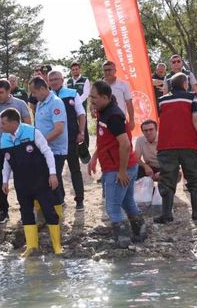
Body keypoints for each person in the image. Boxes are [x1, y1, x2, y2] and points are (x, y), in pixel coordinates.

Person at [88, 81, 145, 248]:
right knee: (127, 202)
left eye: (94, 97)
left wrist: (121, 171)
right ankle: (140, 230)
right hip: (121, 166)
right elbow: (106, 140)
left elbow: (125, 144)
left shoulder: (113, 115)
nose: (91, 101)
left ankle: (123, 241)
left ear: (105, 97)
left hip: (120, 168)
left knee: (113, 207)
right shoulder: (103, 111)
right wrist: (94, 157)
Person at [0, 108, 62, 256]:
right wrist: (5, 181)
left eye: (3, 123)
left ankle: (57, 246)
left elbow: (47, 152)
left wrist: (53, 174)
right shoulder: (4, 138)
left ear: (14, 122)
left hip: (40, 179)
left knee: (49, 211)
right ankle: (31, 246)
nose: (0, 126)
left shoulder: (32, 132)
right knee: (26, 213)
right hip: (21, 183)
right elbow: (6, 162)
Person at [153, 73, 197, 223]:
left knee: (167, 178)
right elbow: (195, 118)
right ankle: (196, 212)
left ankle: (166, 214)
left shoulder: (162, 100)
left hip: (167, 145)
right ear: (185, 84)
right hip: (188, 144)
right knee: (194, 176)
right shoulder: (191, 97)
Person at [0, 79, 32, 224]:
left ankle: (26, 210)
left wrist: (28, 146)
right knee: (0, 181)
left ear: (8, 91)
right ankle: (3, 211)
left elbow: (28, 124)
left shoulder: (20, 104)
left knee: (23, 179)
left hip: (19, 148)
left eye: (1, 92)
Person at [49, 70, 87, 211]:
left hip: (71, 138)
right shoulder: (47, 96)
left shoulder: (72, 93)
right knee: (56, 172)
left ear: (62, 79)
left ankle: (79, 200)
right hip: (54, 140)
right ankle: (60, 200)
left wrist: (81, 132)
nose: (53, 82)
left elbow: (81, 114)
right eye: (51, 80)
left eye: (56, 79)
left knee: (74, 169)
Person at [29, 76, 66, 219]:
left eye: (34, 92)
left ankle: (57, 217)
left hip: (56, 150)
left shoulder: (56, 103)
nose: (33, 95)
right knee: (42, 182)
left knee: (53, 182)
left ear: (43, 89)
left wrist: (41, 142)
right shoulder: (40, 103)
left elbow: (58, 129)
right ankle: (46, 215)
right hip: (44, 150)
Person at [66, 61, 91, 163]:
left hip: (81, 108)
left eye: (76, 69)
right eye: (73, 69)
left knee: (83, 128)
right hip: (70, 109)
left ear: (79, 69)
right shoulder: (67, 81)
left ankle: (85, 151)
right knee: (72, 128)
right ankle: (75, 151)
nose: (75, 71)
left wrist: (76, 102)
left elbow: (86, 94)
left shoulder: (85, 80)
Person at [102, 61, 135, 130]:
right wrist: (92, 109)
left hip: (120, 119)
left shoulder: (123, 85)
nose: (107, 72)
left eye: (109, 70)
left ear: (115, 71)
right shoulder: (99, 85)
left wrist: (131, 120)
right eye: (105, 70)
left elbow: (129, 103)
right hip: (104, 121)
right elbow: (94, 101)